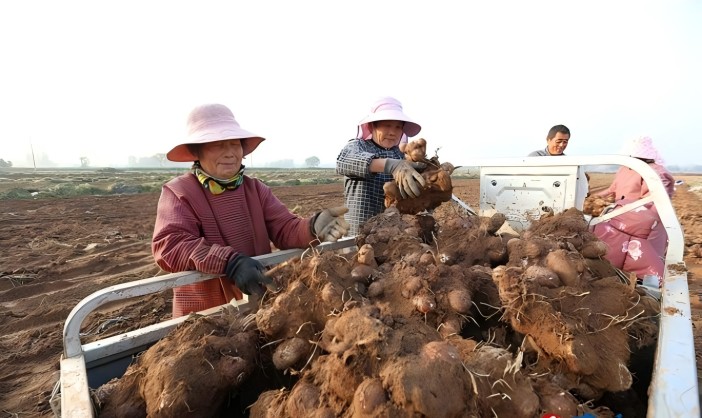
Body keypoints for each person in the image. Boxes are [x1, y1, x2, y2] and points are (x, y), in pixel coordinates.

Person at [152, 103, 350, 317]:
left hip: (257, 302)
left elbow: (284, 228)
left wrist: (312, 226)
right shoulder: (179, 192)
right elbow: (171, 245)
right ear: (196, 151)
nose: (229, 153)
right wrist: (229, 262)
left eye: (234, 144)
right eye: (218, 145)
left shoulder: (255, 189)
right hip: (205, 315)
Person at [336, 97, 426, 236]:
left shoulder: (400, 155)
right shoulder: (357, 146)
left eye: (398, 127)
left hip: (393, 235)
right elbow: (343, 162)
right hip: (359, 234)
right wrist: (391, 165)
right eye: (387, 125)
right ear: (372, 126)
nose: (392, 132)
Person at [592, 136, 674, 284]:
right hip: (621, 223)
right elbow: (613, 189)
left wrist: (622, 210)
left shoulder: (656, 173)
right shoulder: (626, 168)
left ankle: (648, 292)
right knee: (618, 259)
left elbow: (655, 206)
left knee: (644, 264)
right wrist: (593, 198)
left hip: (645, 228)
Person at [528, 124, 589, 209]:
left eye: (565, 142)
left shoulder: (568, 162)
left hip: (558, 203)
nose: (561, 145)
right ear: (548, 140)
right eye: (558, 141)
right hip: (535, 202)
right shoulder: (535, 157)